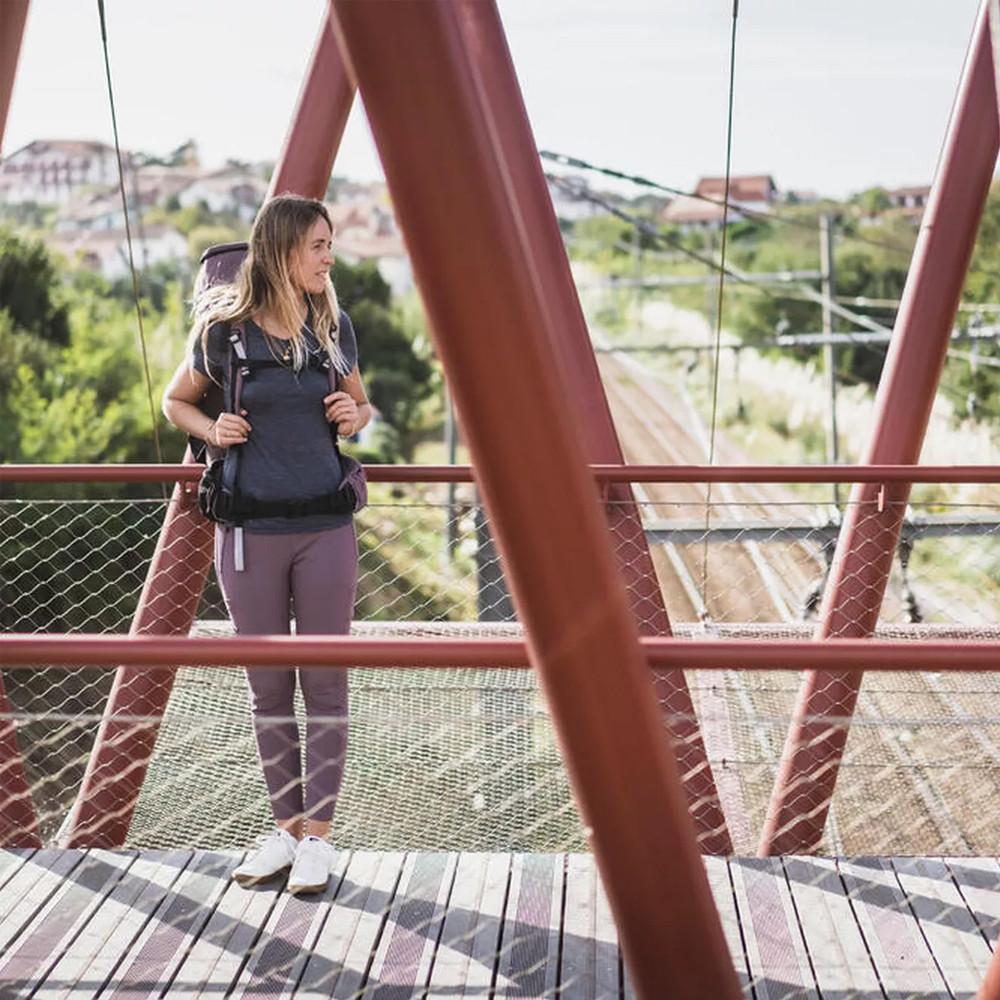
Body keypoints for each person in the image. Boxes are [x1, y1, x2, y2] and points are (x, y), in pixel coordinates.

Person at [162, 194, 372, 894]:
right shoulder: (222, 332)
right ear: (283, 248)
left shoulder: (331, 324)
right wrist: (210, 429)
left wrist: (353, 411)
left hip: (325, 530)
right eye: (318, 244)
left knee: (326, 682)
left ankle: (320, 839)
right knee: (268, 690)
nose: (328, 257)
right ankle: (284, 830)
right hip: (248, 532)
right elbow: (175, 401)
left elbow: (360, 405)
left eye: (329, 244)